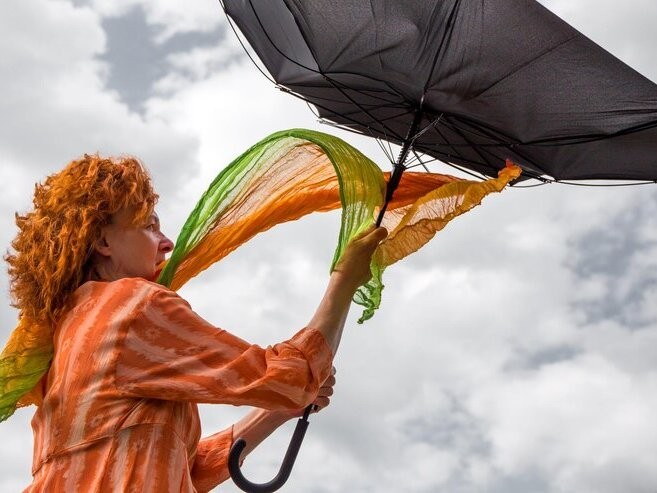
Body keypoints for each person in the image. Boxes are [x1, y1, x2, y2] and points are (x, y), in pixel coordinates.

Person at [3, 154, 387, 492]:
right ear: (103, 241)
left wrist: (279, 411)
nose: (167, 242)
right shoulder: (132, 308)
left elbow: (185, 470)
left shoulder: (65, 334)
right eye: (149, 226)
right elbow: (292, 376)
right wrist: (344, 281)